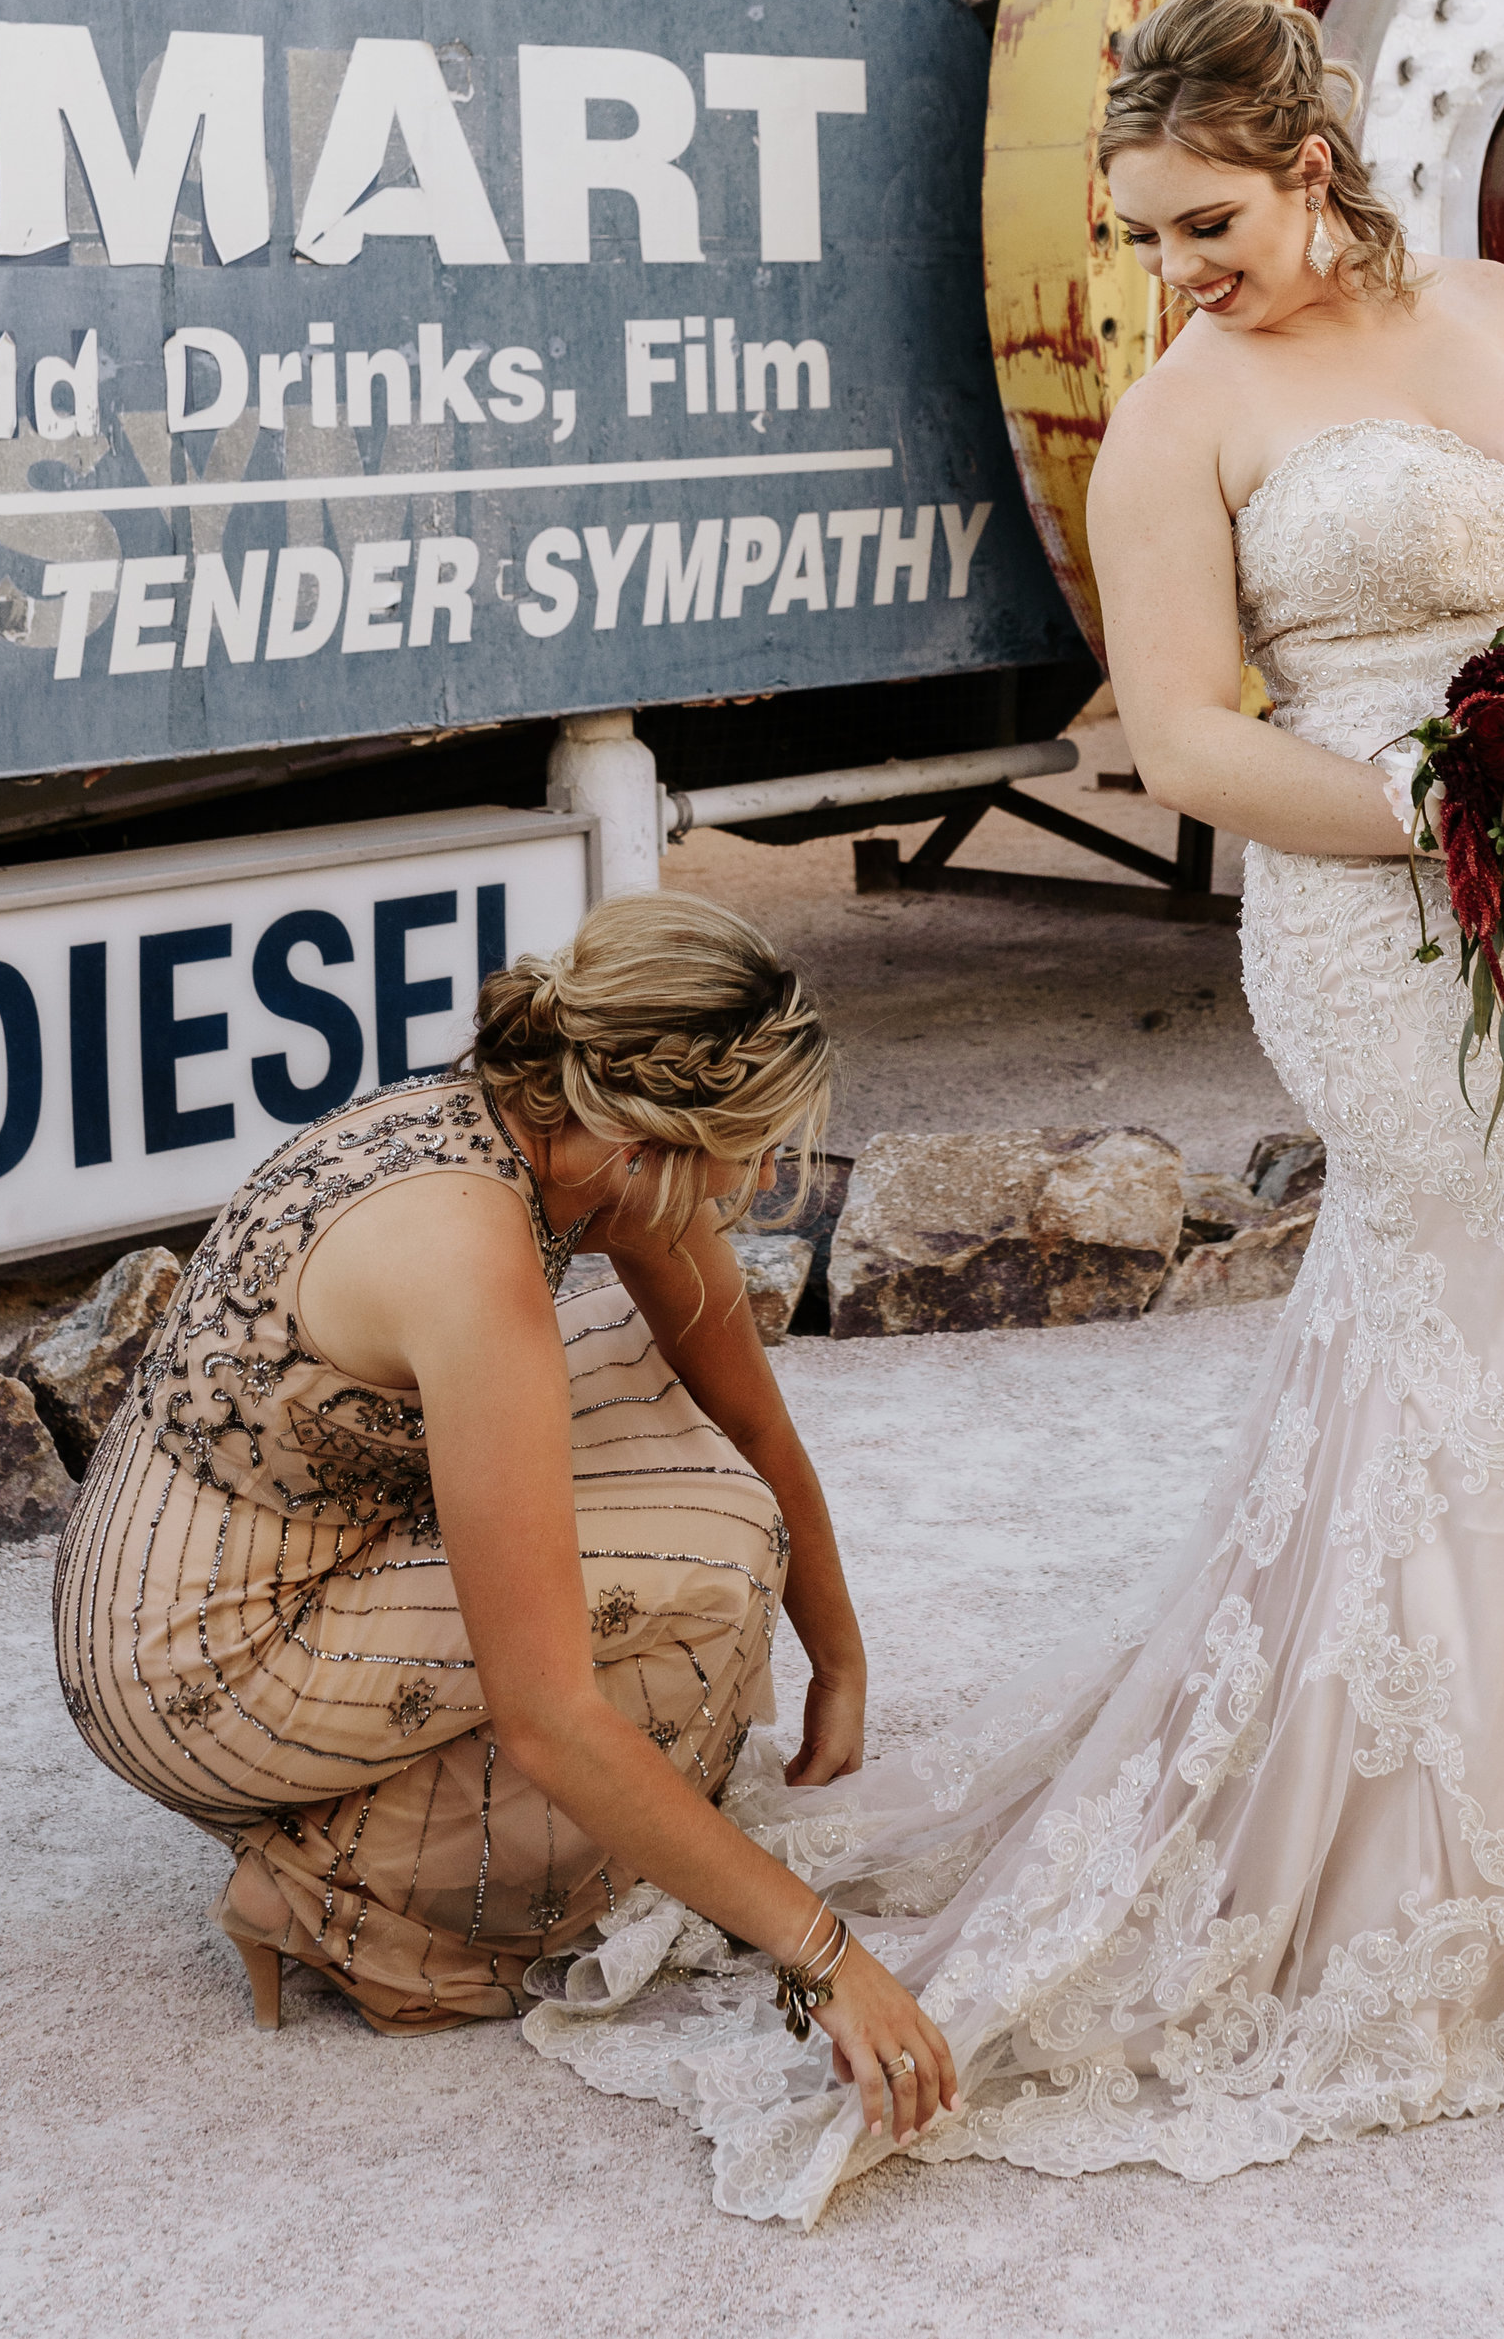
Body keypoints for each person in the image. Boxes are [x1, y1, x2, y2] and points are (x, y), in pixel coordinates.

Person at [523, 0, 1504, 2225]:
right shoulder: (1174, 421)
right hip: (1377, 917)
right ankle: (1411, 1887)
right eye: (1146, 234)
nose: (1175, 270)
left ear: (1314, 163)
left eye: (1202, 221)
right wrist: (1464, 817)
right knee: (1488, 1331)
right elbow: (1181, 745)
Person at [53, 891, 959, 2143]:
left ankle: (383, 1814)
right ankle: (333, 1896)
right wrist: (823, 1953)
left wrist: (842, 1653)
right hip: (205, 1657)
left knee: (684, 1427)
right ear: (652, 1136)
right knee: (704, 1577)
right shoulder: (470, 1257)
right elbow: (547, 1717)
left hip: (262, 1519)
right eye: (755, 1148)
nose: (762, 1183)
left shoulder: (552, 1124)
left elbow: (749, 1414)